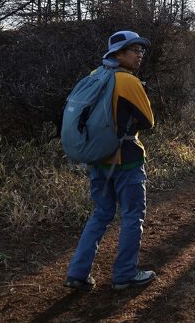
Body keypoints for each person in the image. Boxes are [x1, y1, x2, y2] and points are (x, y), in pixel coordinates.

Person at [64, 30, 156, 291]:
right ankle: (125, 274)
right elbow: (149, 122)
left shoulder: (95, 76)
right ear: (118, 54)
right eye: (134, 50)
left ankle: (78, 273)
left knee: (101, 214)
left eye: (141, 50)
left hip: (98, 159)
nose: (139, 55)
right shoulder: (128, 81)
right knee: (132, 216)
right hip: (126, 161)